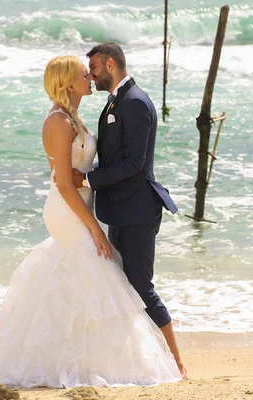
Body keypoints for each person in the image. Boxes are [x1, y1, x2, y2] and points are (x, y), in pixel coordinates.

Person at [0, 55, 182, 388]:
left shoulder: (74, 117)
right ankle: (96, 362)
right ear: (69, 84)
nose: (90, 77)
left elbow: (104, 168)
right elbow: (65, 184)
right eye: (85, 74)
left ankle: (79, 359)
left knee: (81, 280)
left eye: (91, 70)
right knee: (99, 273)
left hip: (82, 208)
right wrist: (95, 227)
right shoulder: (59, 121)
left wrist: (94, 201)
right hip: (68, 211)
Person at [69, 42, 187, 379]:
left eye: (93, 68)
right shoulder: (116, 100)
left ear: (110, 64)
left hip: (137, 210)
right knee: (121, 284)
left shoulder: (135, 103)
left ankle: (177, 363)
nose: (90, 75)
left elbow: (133, 163)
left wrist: (88, 180)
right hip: (120, 209)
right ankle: (136, 359)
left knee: (140, 285)